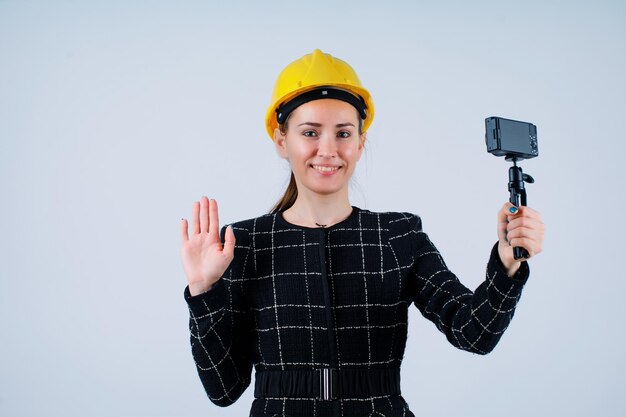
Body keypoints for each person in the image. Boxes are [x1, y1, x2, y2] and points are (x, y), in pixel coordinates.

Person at [179, 48, 545, 417]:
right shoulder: (240, 245)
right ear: (281, 140)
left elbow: (475, 333)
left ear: (360, 143)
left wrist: (506, 263)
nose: (328, 150)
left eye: (343, 133)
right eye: (310, 132)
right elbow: (223, 390)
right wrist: (203, 291)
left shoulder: (398, 235)